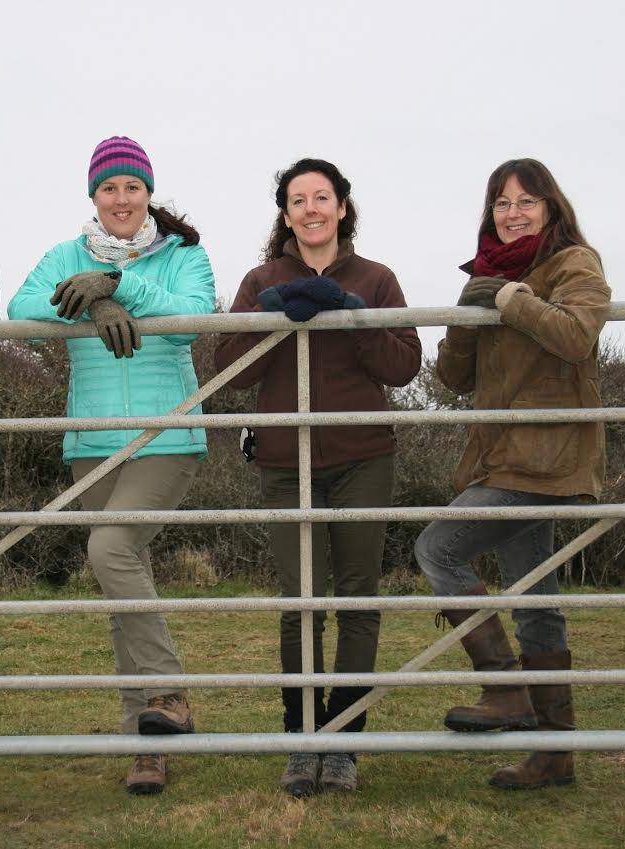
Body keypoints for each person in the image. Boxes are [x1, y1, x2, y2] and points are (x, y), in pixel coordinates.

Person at [7, 135, 215, 796]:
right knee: (119, 576)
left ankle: (168, 693)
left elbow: (190, 319)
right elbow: (21, 307)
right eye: (109, 188)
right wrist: (93, 301)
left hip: (165, 437)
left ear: (148, 192)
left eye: (132, 186)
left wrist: (120, 282)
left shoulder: (184, 253)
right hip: (92, 440)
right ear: (93, 195)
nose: (121, 199)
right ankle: (146, 742)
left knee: (110, 547)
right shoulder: (66, 255)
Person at [214, 158, 421, 796]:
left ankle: (344, 746)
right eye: (297, 200)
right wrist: (279, 322)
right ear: (285, 214)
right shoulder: (260, 279)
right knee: (300, 602)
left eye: (321, 197)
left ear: (342, 207)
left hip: (363, 456)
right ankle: (303, 740)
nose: (310, 209)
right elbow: (228, 370)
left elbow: (405, 365)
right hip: (285, 461)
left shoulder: (378, 278)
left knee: (358, 600)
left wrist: (350, 317)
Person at [415, 158, 610, 790]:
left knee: (438, 549)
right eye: (502, 203)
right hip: (504, 453)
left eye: (527, 201)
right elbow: (453, 378)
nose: (513, 212)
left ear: (552, 207)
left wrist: (508, 299)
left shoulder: (573, 263)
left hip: (546, 454)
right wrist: (467, 315)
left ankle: (506, 691)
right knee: (536, 602)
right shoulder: (492, 272)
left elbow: (578, 335)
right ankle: (555, 756)